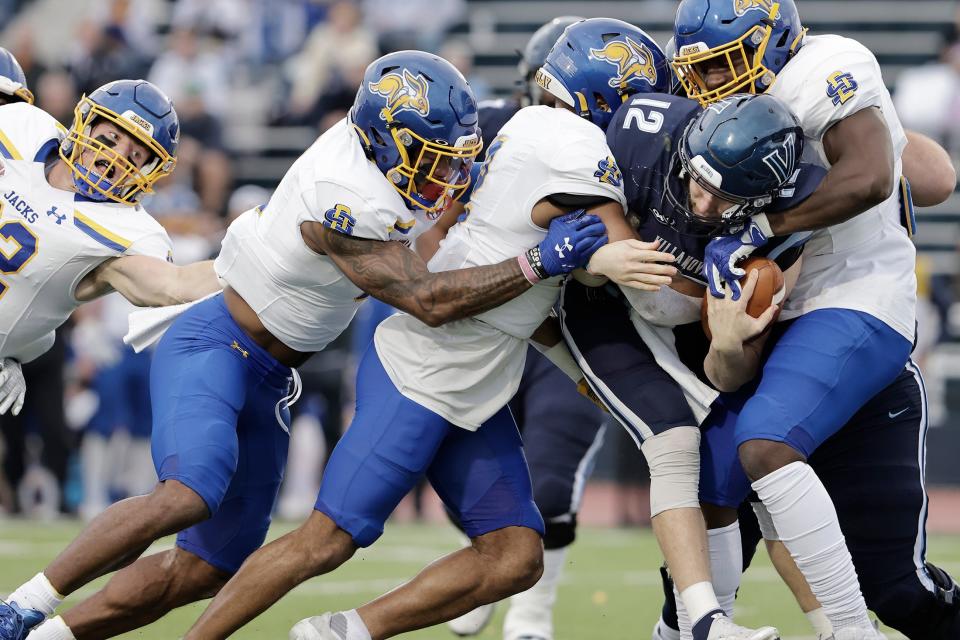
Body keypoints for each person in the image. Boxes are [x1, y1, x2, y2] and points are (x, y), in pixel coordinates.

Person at [1, 50, 611, 640]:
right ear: (383, 140)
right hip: (216, 341)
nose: (445, 174)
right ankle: (22, 607)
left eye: (451, 160)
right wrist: (536, 262)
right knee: (189, 493)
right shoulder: (342, 193)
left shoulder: (383, 161)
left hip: (271, 377)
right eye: (431, 158)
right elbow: (426, 298)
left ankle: (50, 636)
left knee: (210, 567)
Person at [180, 20, 677, 640]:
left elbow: (525, 306)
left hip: (478, 380)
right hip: (422, 373)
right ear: (609, 97)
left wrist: (581, 364)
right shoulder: (570, 143)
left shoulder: (532, 131)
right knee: (327, 540)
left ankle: (345, 631)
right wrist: (573, 264)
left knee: (515, 557)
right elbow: (499, 284)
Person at [668, 1, 942, 636]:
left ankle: (850, 630)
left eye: (721, 66)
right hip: (784, 310)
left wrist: (765, 229)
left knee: (894, 586)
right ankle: (692, 626)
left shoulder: (826, 67)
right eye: (699, 71)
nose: (708, 85)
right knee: (702, 480)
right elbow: (935, 177)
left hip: (855, 293)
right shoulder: (719, 109)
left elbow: (872, 176)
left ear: (771, 41)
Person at [562, 90, 812, 640]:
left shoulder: (788, 227)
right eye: (698, 182)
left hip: (679, 334)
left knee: (762, 471)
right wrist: (598, 258)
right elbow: (561, 224)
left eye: (725, 201)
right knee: (672, 442)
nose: (702, 207)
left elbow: (733, 372)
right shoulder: (639, 134)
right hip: (599, 309)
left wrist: (727, 338)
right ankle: (704, 622)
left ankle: (835, 626)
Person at [0, 76, 222, 637]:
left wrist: (263, 262)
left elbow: (169, 287)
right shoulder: (22, 128)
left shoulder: (124, 230)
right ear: (84, 122)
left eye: (138, 153)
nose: (118, 157)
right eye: (113, 136)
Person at [441, 16, 608, 640]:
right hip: (492, 321)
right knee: (474, 470)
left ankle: (532, 611)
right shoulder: (488, 126)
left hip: (572, 331)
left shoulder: (621, 143)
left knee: (554, 481)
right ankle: (485, 572)